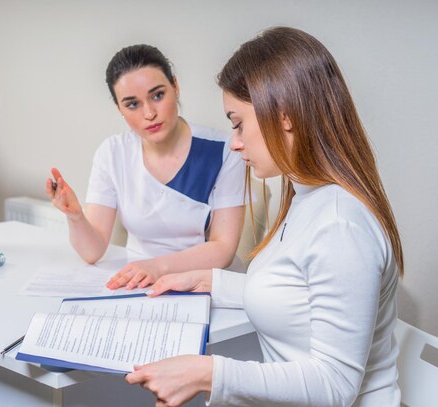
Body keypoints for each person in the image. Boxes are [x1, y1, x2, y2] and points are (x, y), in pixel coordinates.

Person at [125, 27, 404, 406]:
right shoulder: (306, 198)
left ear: (284, 116)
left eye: (238, 122)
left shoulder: (340, 224)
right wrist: (209, 281)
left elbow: (335, 385)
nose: (235, 141)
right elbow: (298, 295)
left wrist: (207, 372)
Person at [46, 44, 247, 290]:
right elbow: (93, 251)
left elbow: (223, 249)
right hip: (138, 282)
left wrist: (157, 267)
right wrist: (76, 217)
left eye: (158, 95)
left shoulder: (225, 150)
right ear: (119, 108)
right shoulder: (112, 153)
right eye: (132, 104)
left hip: (203, 282)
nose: (149, 113)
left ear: (175, 86)